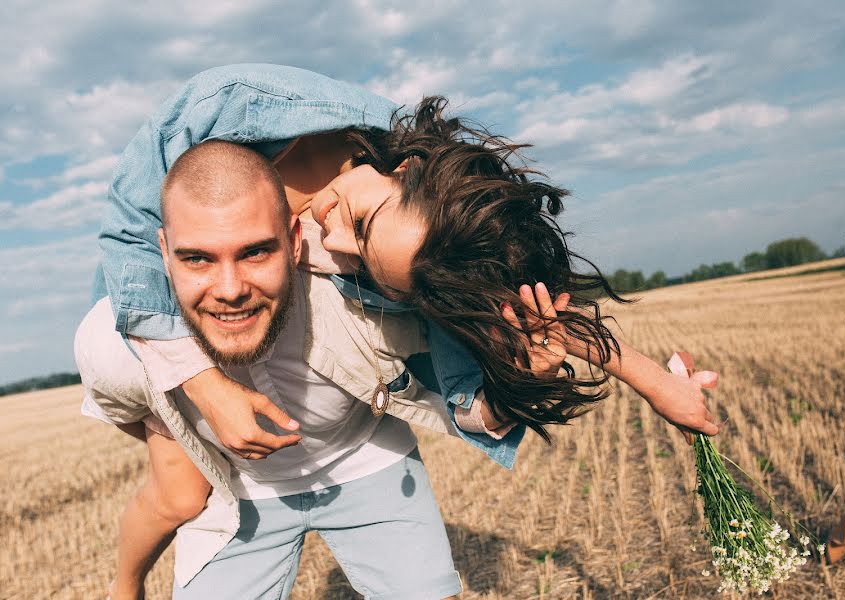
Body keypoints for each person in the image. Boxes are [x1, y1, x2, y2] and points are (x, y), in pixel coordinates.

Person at [81, 64, 719, 598]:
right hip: (224, 455)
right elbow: (128, 243)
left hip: (357, 449)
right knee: (176, 490)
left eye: (359, 256)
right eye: (358, 223)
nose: (332, 239)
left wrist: (650, 381)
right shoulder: (227, 114)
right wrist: (205, 386)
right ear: (405, 165)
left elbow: (522, 312)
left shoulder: (401, 253)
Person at [78, 140, 476, 599]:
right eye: (197, 258)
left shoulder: (360, 289)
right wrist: (197, 411)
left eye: (255, 253)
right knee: (176, 494)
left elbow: (465, 338)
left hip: (365, 457)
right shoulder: (114, 343)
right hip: (240, 490)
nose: (230, 290)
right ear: (163, 252)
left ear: (293, 241)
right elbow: (127, 410)